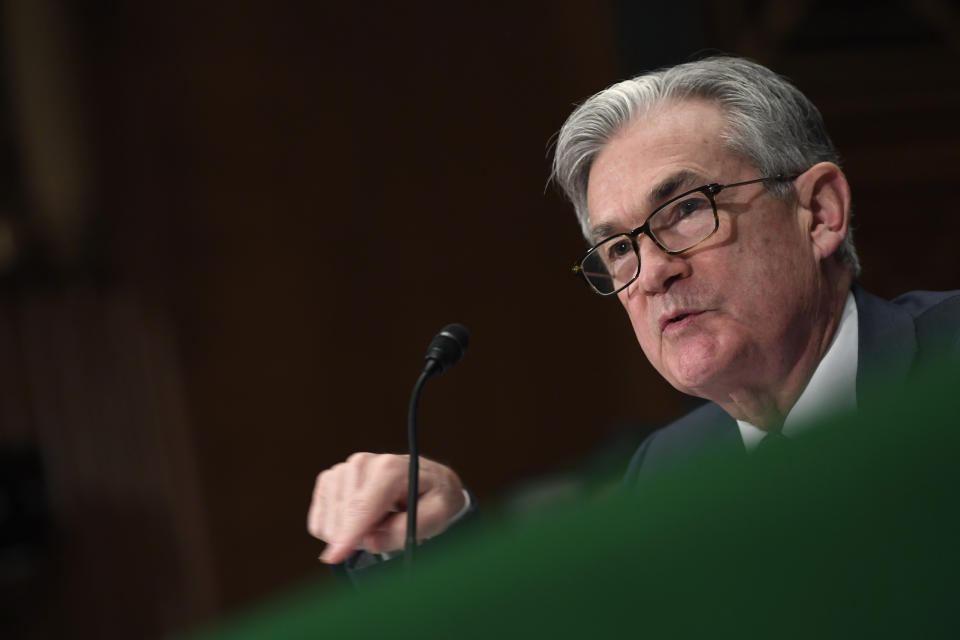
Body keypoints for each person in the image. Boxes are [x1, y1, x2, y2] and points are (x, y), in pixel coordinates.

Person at [306, 56, 960, 567]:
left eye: (686, 210)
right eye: (618, 248)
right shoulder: (670, 472)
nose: (651, 272)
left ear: (818, 212)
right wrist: (441, 532)